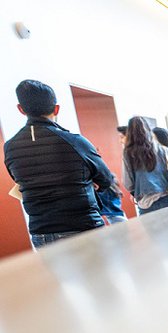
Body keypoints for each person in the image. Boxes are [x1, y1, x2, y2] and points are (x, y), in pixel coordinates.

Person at [4, 79, 114, 248]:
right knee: (96, 274)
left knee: (55, 276)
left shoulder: (10, 147)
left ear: (21, 109)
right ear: (56, 109)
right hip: (83, 227)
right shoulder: (75, 141)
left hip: (41, 234)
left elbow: (19, 181)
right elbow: (106, 179)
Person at [122, 116, 168, 215]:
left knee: (154, 231)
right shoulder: (164, 150)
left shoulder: (128, 154)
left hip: (145, 205)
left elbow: (128, 183)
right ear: (148, 130)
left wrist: (138, 190)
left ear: (129, 133)